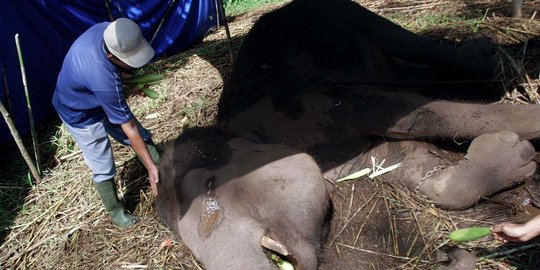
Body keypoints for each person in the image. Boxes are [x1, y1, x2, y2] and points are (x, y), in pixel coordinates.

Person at [52, 18, 159, 229]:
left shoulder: (113, 32)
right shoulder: (103, 79)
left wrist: (127, 79)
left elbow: (114, 77)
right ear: (112, 56)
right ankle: (116, 212)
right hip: (79, 112)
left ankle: (160, 163)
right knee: (102, 163)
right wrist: (149, 168)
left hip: (93, 92)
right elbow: (128, 127)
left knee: (141, 136)